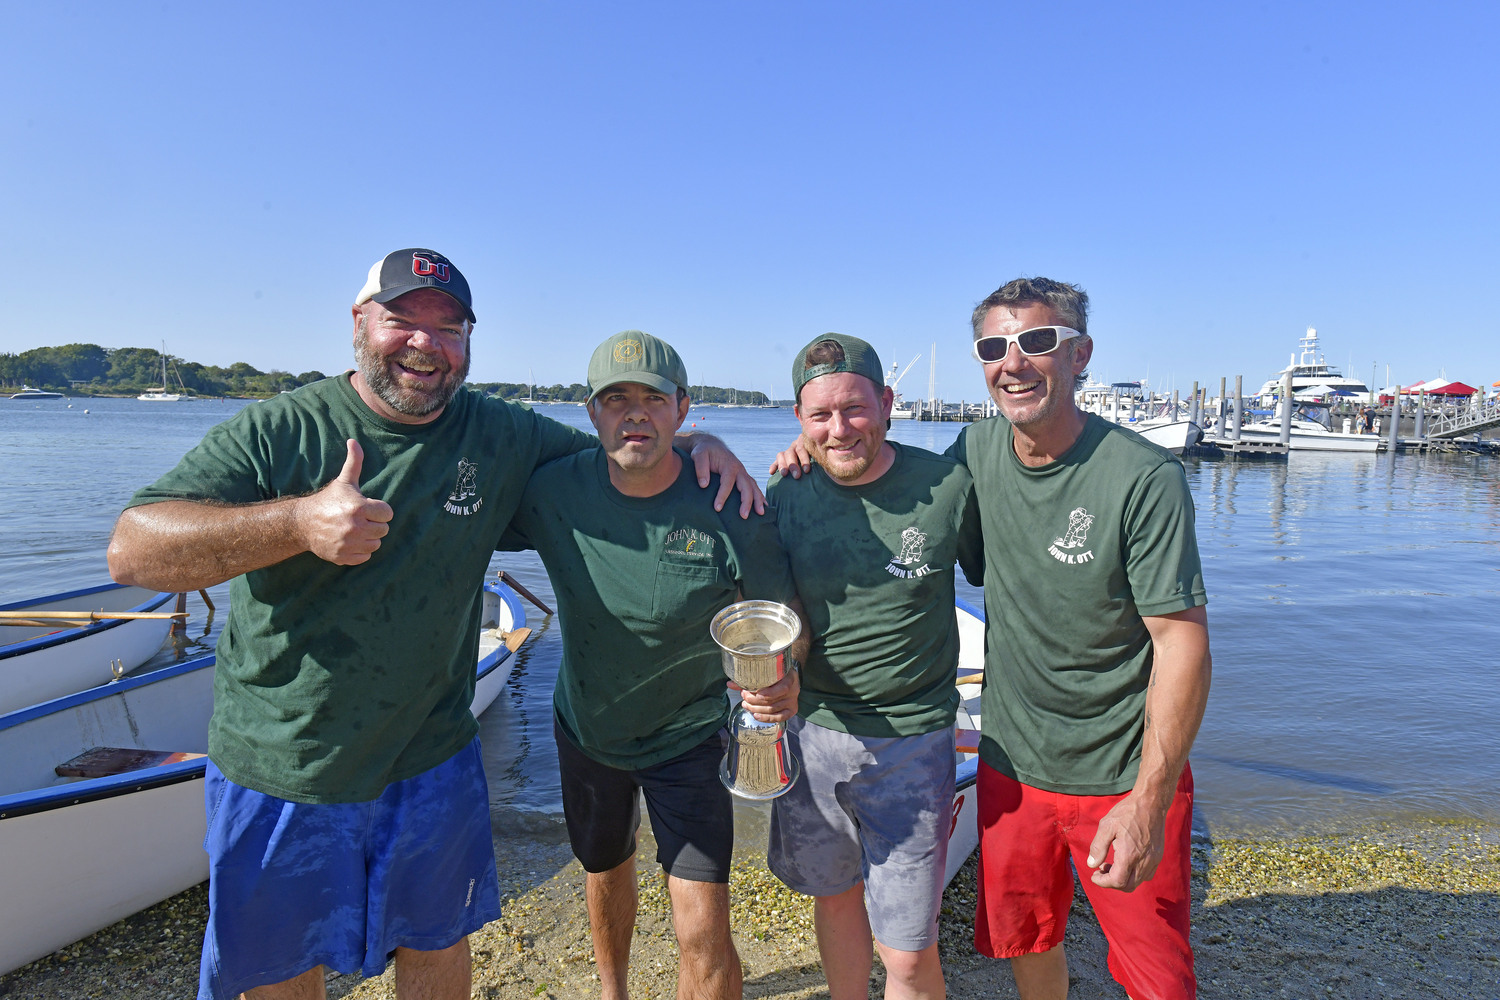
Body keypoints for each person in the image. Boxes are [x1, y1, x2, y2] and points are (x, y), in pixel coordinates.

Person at [105, 250, 762, 1000]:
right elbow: (134, 550)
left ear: (470, 341)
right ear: (359, 324)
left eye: (448, 327)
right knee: (279, 974)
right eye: (402, 320)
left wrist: (697, 444)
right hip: (287, 764)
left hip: (435, 759)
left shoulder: (499, 433)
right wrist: (296, 522)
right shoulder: (287, 426)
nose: (425, 343)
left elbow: (623, 462)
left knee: (439, 953)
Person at [499, 330, 809, 1000]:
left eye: (652, 398)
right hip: (588, 730)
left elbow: (783, 621)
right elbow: (451, 523)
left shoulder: (731, 504)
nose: (634, 412)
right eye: (616, 399)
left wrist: (785, 676)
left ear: (682, 408)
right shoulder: (551, 492)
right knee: (605, 869)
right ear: (592, 413)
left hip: (689, 738)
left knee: (702, 926)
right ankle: (613, 991)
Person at [949, 278, 1211, 1000]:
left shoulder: (1142, 476)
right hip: (1012, 759)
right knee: (1027, 937)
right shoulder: (971, 451)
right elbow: (880, 491)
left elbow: (1182, 643)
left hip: (1121, 769)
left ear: (1079, 354)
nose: (1014, 362)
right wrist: (805, 454)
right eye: (994, 347)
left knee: (1158, 974)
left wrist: (1148, 800)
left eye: (1037, 342)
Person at [764, 333, 978, 1000]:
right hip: (813, 734)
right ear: (799, 419)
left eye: (854, 409)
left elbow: (1016, 574)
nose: (838, 429)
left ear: (887, 403)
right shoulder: (785, 488)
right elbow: (777, 608)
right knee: (834, 901)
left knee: (909, 953)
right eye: (819, 415)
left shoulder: (946, 486)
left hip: (913, 741)